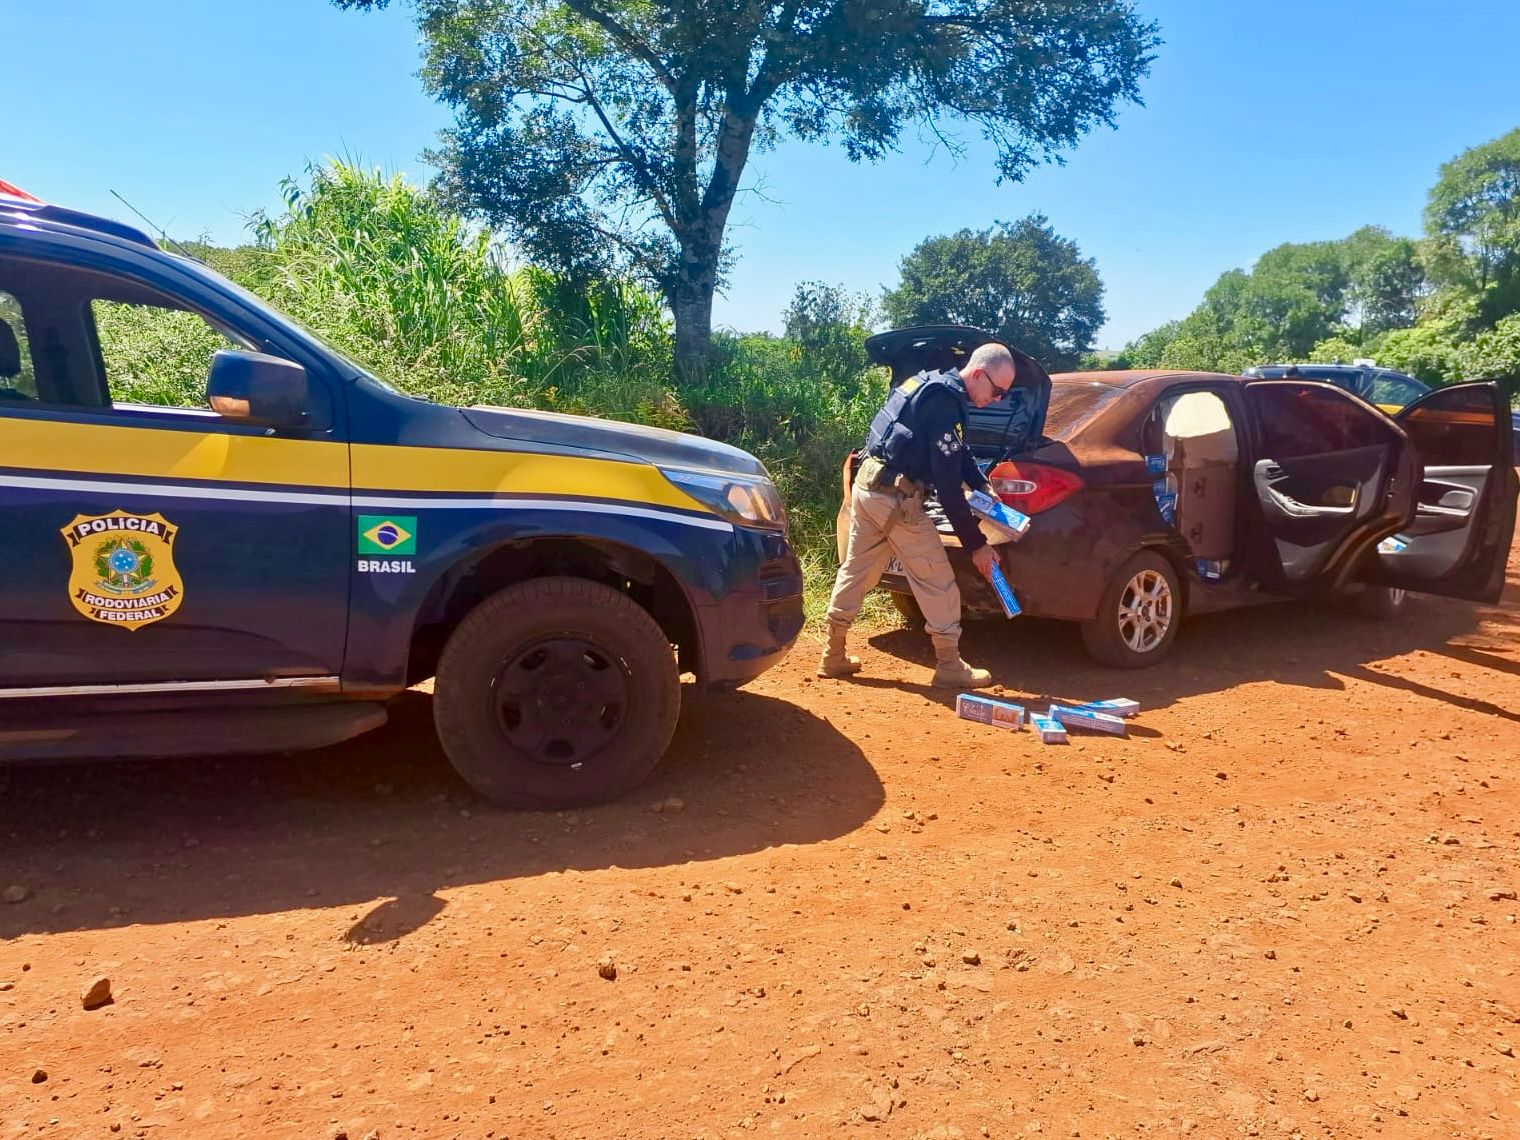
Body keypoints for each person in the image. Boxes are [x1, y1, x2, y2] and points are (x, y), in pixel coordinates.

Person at [819, 342, 1017, 688]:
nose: (998, 399)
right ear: (978, 374)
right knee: (937, 579)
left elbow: (958, 450)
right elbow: (949, 489)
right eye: (998, 391)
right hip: (896, 501)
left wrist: (982, 485)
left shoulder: (930, 383)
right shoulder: (944, 401)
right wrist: (977, 546)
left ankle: (832, 654)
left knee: (856, 570)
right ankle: (949, 666)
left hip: (868, 488)